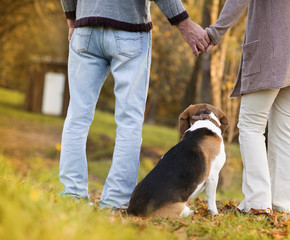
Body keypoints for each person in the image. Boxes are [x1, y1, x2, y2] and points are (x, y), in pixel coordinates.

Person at [59, 0, 211, 209]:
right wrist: (185, 24)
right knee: (129, 121)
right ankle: (114, 201)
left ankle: (72, 194)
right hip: (128, 29)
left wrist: (71, 19)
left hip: (85, 29)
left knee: (77, 116)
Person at [205, 0, 290, 216]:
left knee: (251, 125)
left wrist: (215, 32)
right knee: (286, 127)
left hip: (272, 48)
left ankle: (258, 202)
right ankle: (282, 204)